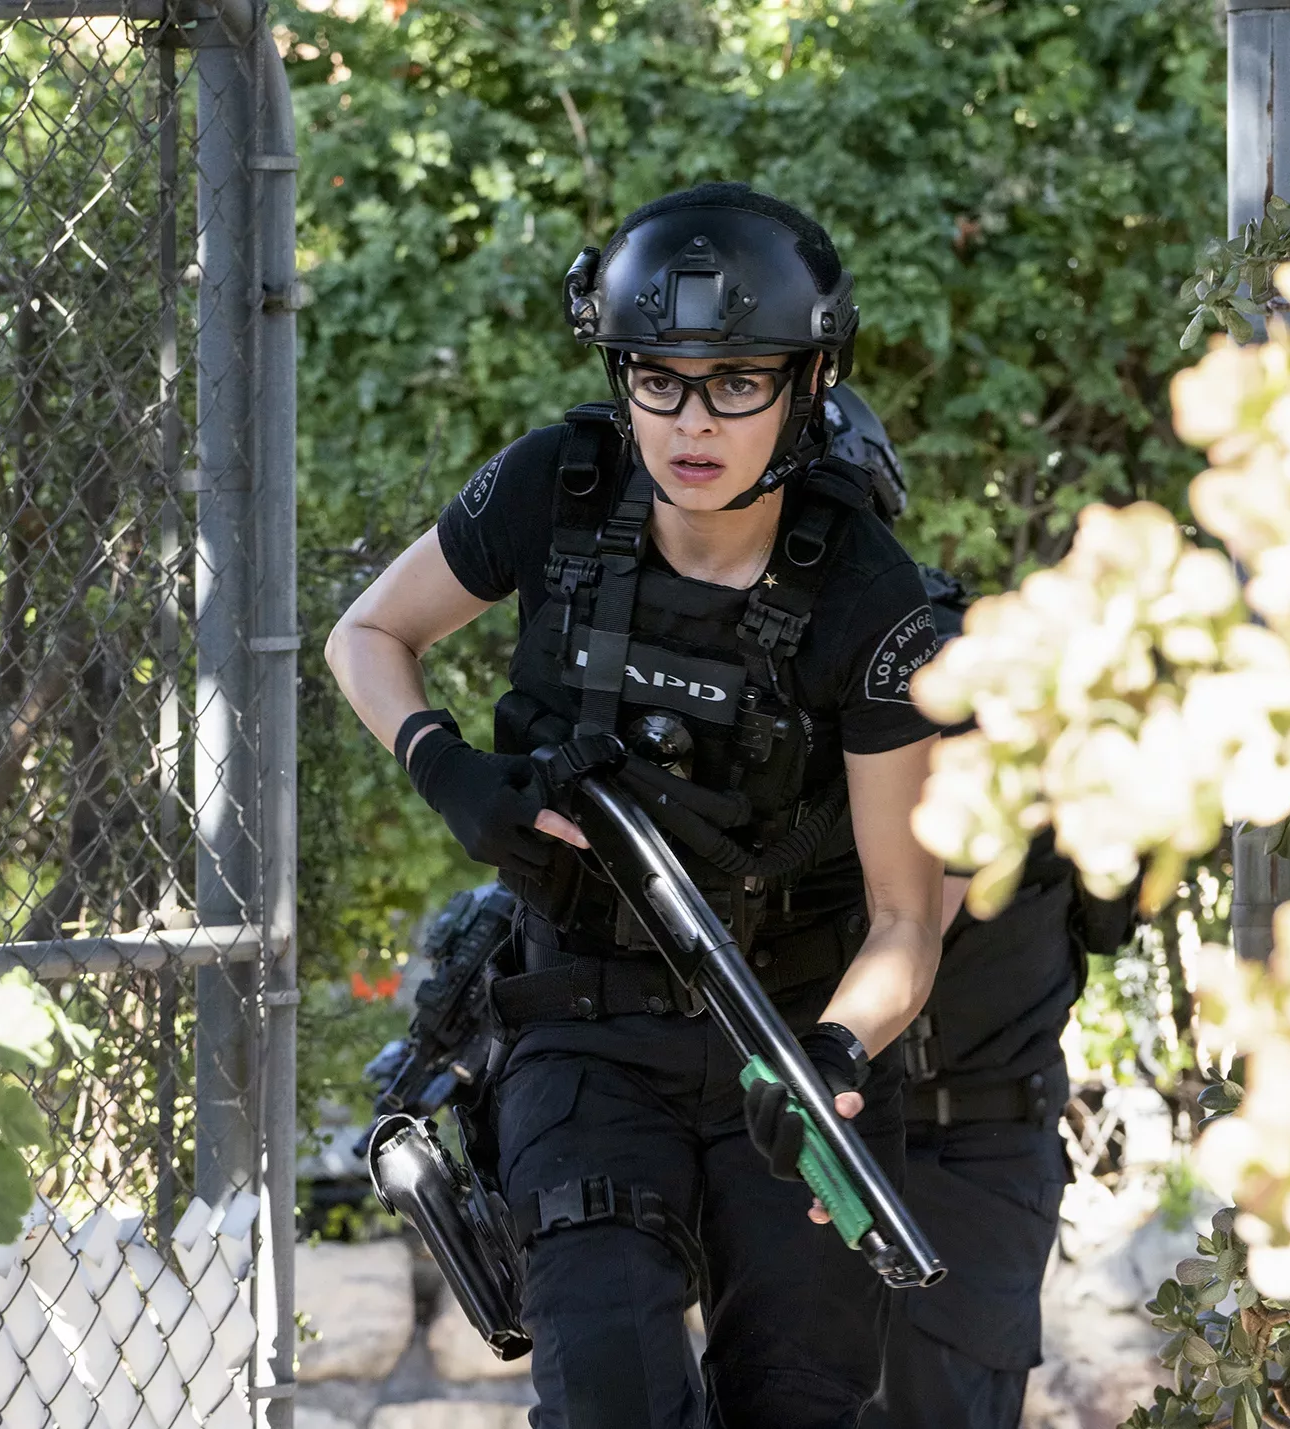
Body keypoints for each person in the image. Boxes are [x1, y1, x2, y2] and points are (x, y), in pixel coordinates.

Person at [324, 182, 945, 1429]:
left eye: (736, 383)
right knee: (609, 1390)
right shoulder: (555, 486)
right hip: (583, 1027)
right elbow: (367, 636)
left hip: (786, 1046)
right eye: (657, 379)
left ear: (810, 381)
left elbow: (904, 922)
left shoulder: (872, 599)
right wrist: (446, 768)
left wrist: (829, 1058)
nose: (690, 422)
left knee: (795, 1402)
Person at [863, 566, 1138, 1429]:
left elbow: (914, 924)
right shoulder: (886, 665)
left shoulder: (922, 685)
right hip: (914, 1143)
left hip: (952, 1152)